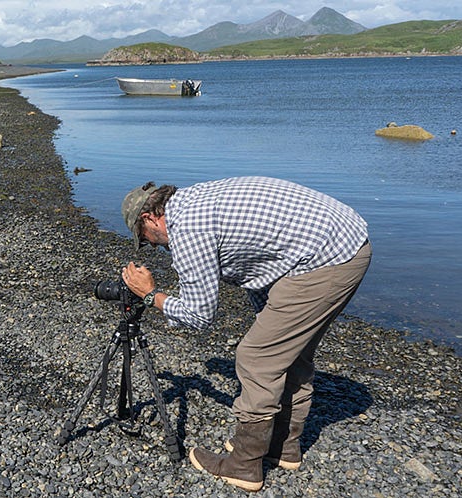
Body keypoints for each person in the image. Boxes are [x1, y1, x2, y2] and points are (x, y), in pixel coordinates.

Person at [119, 176, 371, 492]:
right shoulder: (194, 200)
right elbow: (256, 268)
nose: (154, 246)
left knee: (257, 358)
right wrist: (268, 321)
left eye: (147, 240)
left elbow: (199, 315)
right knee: (288, 351)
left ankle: (244, 465)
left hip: (329, 258)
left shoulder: (188, 230)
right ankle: (282, 448)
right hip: (341, 243)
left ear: (149, 218)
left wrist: (150, 295)